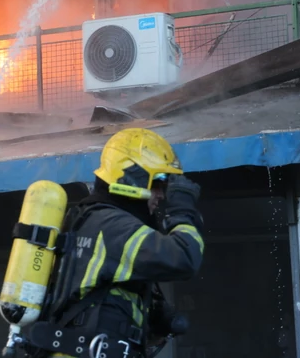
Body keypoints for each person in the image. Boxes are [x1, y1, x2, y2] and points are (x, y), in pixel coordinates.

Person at [34, 128, 204, 358]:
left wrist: (152, 320)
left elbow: (99, 303)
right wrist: (182, 212)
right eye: (159, 182)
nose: (162, 194)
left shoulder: (91, 220)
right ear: (133, 177)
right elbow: (184, 258)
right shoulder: (112, 225)